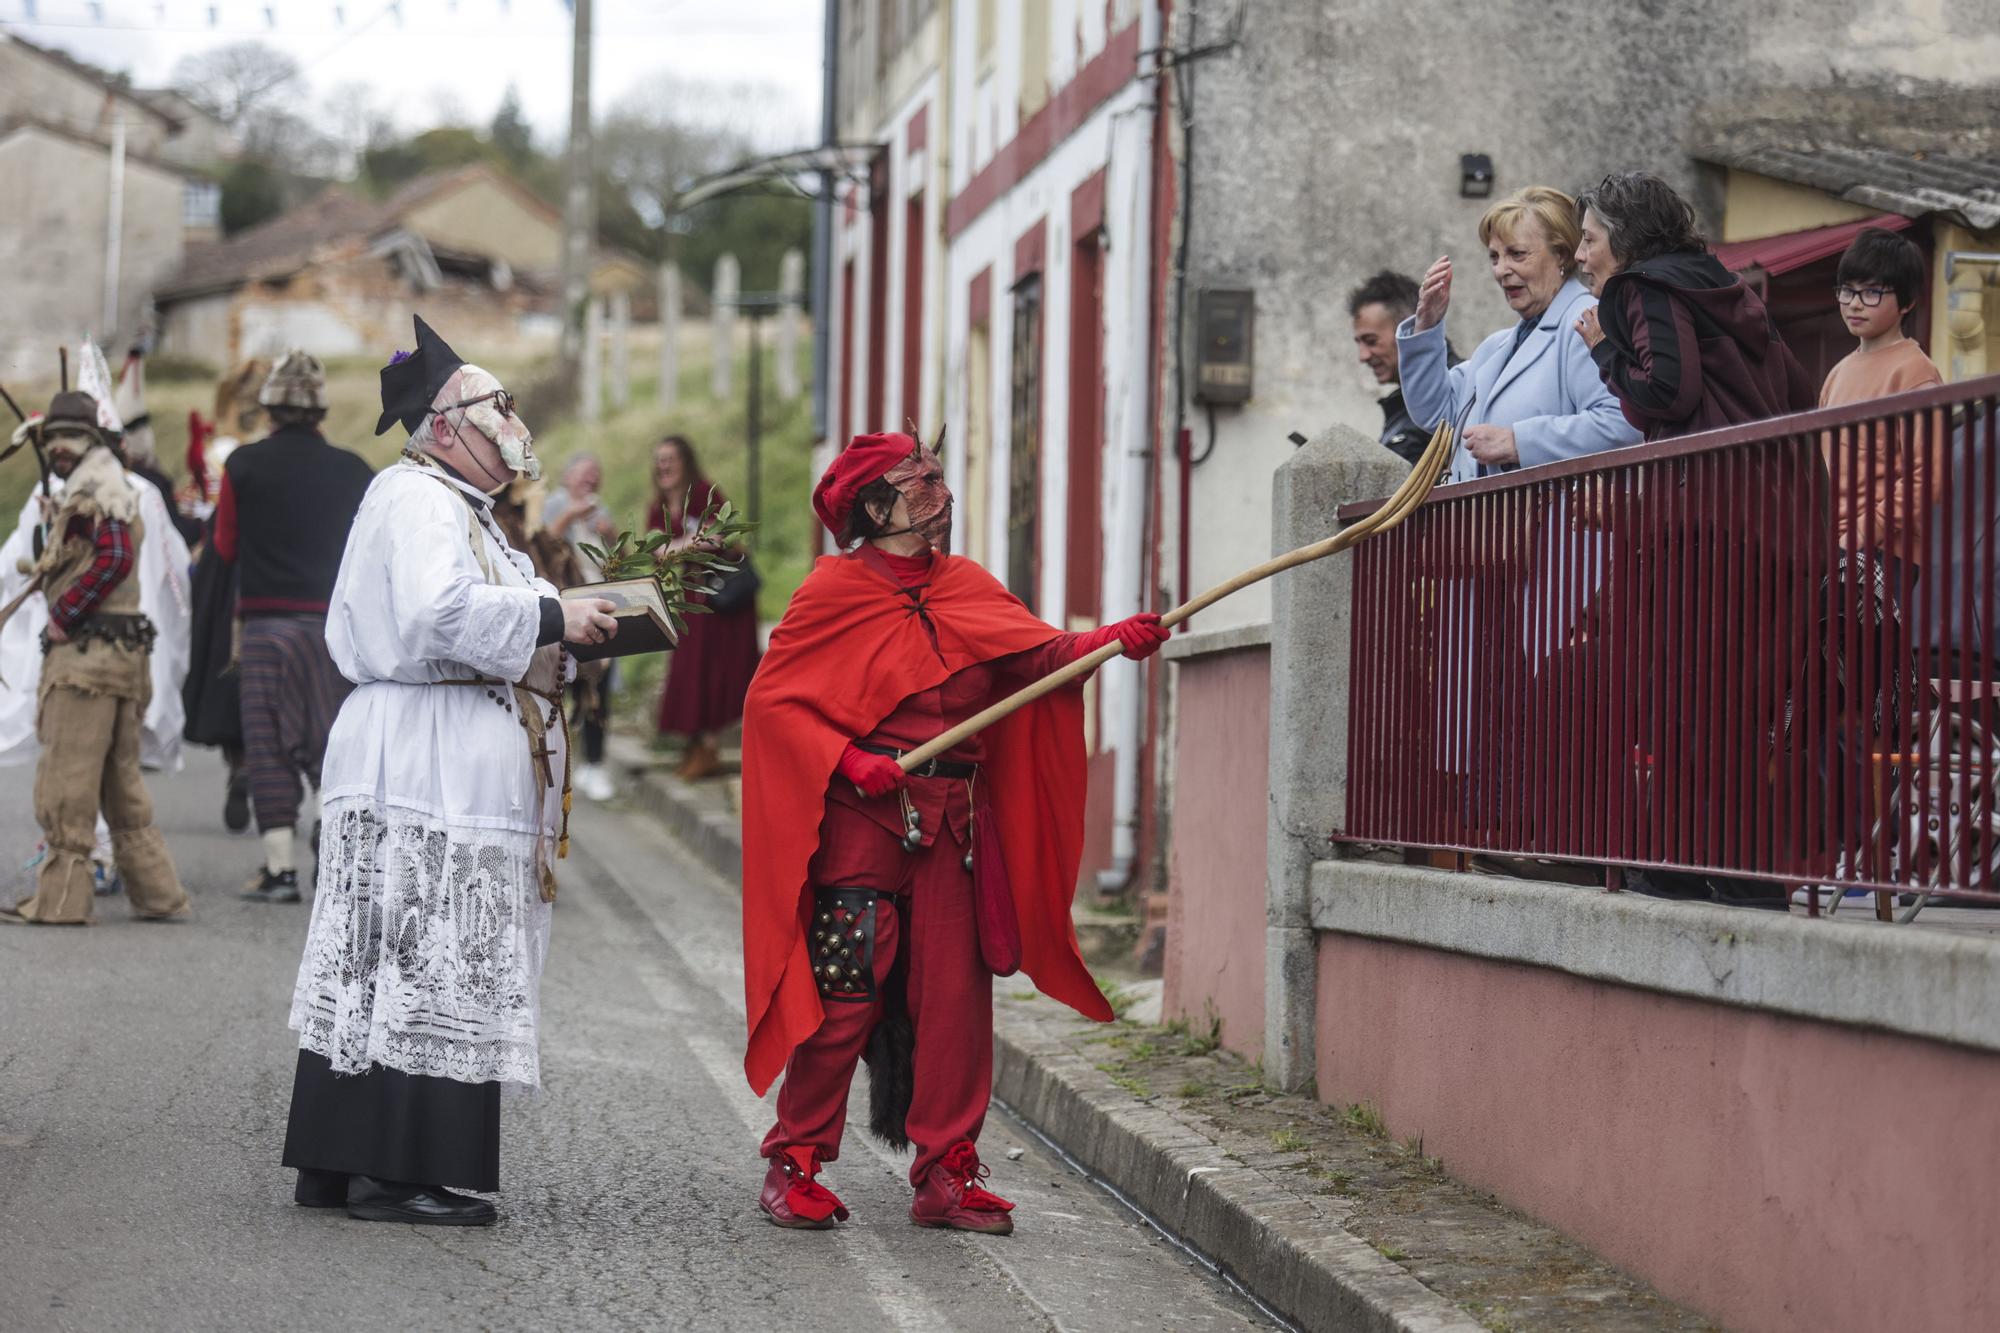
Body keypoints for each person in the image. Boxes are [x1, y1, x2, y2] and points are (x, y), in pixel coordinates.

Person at [741, 431, 1169, 1233]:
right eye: (923, 479)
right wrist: (848, 756)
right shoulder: (830, 591)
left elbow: (1034, 658)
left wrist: (1109, 642)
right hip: (863, 825)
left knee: (956, 1005)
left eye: (939, 475)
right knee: (844, 995)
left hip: (955, 831)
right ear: (877, 505)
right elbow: (773, 705)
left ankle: (946, 1171)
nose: (942, 490)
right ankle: (793, 1158)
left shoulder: (967, 583)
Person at [281, 316, 618, 1225]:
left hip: (416, 745)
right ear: (442, 427)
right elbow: (438, 614)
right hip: (420, 752)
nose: (512, 420)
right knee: (427, 942)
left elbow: (501, 611)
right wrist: (554, 619)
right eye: (492, 405)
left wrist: (572, 620)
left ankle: (338, 1158)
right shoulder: (425, 502)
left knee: (383, 948)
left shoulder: (454, 506)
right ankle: (401, 1172)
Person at [1, 389, 190, 926]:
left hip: (87, 663)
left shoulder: (98, 486)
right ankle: (158, 894)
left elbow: (113, 557)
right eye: (54, 439)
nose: (59, 448)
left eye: (70, 438)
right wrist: (50, 524)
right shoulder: (95, 485)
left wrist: (66, 616)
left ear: (90, 441)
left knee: (65, 781)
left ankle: (60, 902)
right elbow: (72, 556)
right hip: (118, 660)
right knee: (118, 781)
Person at [1798, 228, 1946, 909]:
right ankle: (1847, 850)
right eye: (1846, 289)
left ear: (1907, 300)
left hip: (1880, 559)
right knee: (1822, 709)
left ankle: (1872, 858)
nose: (1854, 303)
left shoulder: (1914, 370)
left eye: (1871, 290)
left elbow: (1926, 474)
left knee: (1858, 711)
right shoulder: (1836, 371)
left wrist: (1861, 534)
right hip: (1833, 557)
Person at [214, 350, 375, 903]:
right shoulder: (356, 470)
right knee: (332, 739)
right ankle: (333, 849)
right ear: (319, 412)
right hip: (333, 630)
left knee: (266, 743)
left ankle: (279, 870)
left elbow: (224, 546)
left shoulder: (242, 465)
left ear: (270, 410)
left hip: (263, 626)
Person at [1400, 185, 1640, 483]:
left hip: (1562, 525)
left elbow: (1623, 424)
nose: (1501, 270)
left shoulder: (1586, 320)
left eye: (1516, 254)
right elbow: (1436, 413)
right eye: (1494, 257)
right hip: (1495, 526)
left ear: (1562, 255)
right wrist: (1426, 325)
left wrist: (1518, 442)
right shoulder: (1496, 347)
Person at [1573, 171, 1814, 439]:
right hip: (1773, 470)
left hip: (1708, 473)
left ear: (1625, 238)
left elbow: (1667, 394)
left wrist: (1605, 351)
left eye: (1589, 239)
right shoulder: (1726, 284)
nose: (1579, 254)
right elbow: (1800, 392)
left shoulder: (1647, 288)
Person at [649, 434, 759, 780]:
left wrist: (678, 547)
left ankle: (708, 747)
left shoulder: (704, 494)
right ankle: (695, 745)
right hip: (691, 599)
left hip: (722, 598)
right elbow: (657, 551)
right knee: (689, 669)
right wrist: (690, 545)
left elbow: (721, 536)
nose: (664, 466)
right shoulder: (659, 507)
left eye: (670, 459)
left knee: (717, 669)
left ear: (685, 462)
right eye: (659, 460)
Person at [542, 453, 618, 800]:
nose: (592, 480)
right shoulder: (553, 503)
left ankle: (595, 764)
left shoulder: (600, 508)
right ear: (568, 476)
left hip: (601, 601)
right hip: (566, 604)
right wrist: (572, 515)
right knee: (562, 684)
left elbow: (618, 555)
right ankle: (557, 762)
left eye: (597, 475)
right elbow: (542, 543)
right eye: (586, 474)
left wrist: (611, 534)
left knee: (598, 686)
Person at [1349, 270, 1456, 465]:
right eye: (1359, 343)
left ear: (1408, 328)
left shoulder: (1458, 389)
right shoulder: (1399, 407)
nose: (1363, 356)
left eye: (1371, 341)